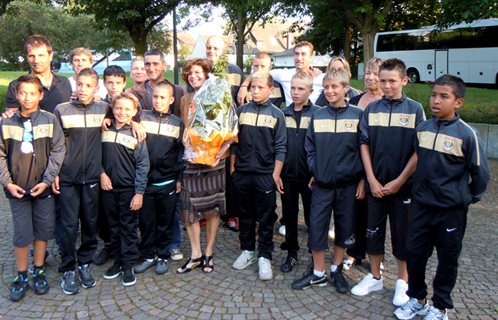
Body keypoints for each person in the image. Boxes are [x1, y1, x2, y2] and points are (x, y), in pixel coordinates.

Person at [394, 75, 490, 320]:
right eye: (434, 95)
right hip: (421, 207)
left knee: (447, 260)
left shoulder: (467, 134)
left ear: (458, 103)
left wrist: (464, 198)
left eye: (443, 96)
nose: (436, 101)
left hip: (450, 212)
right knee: (414, 254)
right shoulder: (423, 129)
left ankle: (440, 307)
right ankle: (418, 300)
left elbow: (481, 175)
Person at [351, 58, 426, 307]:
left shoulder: (415, 110)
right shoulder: (372, 110)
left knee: (402, 235)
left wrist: (400, 180)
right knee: (373, 231)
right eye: (383, 80)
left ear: (404, 80)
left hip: (403, 187)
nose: (386, 85)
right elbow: (364, 144)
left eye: (392, 81)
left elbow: (419, 149)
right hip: (376, 186)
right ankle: (375, 277)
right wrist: (371, 179)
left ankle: (402, 282)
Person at [291, 68, 364, 292]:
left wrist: (360, 179)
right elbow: (309, 147)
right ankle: (318, 273)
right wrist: (317, 169)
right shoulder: (318, 115)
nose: (330, 91)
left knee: (343, 228)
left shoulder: (357, 115)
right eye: (326, 87)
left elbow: (364, 150)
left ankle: (336, 269)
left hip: (348, 185)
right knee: (317, 228)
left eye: (335, 87)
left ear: (345, 88)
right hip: (321, 184)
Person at [0, 75, 65, 301]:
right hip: (16, 189)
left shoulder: (49, 120)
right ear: (16, 95)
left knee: (42, 230)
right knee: (21, 232)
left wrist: (47, 180)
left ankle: (38, 270)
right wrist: (7, 182)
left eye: (32, 93)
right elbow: (0, 154)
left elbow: (58, 149)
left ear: (41, 95)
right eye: (22, 93)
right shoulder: (6, 122)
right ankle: (21, 275)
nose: (27, 97)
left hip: (42, 188)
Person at [52, 68, 109, 295]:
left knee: (89, 222)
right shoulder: (61, 110)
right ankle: (67, 268)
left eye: (89, 86)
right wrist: (55, 172)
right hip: (67, 178)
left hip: (92, 178)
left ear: (97, 89)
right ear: (75, 83)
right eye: (80, 84)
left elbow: (127, 116)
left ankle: (85, 263)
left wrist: (134, 124)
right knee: (67, 226)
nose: (83, 89)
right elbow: (54, 145)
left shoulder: (104, 109)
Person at [231, 71, 287, 281]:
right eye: (253, 87)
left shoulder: (277, 115)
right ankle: (248, 251)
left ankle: (265, 255)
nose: (255, 91)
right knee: (244, 215)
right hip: (242, 175)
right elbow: (234, 142)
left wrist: (274, 176)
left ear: (271, 90)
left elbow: (281, 147)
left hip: (265, 176)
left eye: (260, 87)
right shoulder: (241, 111)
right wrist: (233, 171)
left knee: (265, 217)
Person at [176, 58, 228, 274]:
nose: (192, 76)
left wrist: (221, 152)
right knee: (189, 209)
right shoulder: (185, 99)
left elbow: (229, 129)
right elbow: (185, 128)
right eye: (189, 73)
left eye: (197, 72)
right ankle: (195, 254)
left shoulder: (220, 95)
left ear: (207, 74)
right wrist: (186, 142)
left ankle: (208, 252)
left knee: (212, 209)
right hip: (190, 161)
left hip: (214, 161)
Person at [134, 81, 184, 275]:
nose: (158, 101)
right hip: (145, 182)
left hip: (167, 181)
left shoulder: (177, 123)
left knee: (165, 220)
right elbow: (119, 113)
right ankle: (148, 255)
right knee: (146, 221)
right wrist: (131, 122)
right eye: (155, 97)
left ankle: (163, 255)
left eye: (163, 97)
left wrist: (178, 178)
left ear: (171, 100)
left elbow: (180, 154)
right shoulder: (142, 117)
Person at [101, 92, 149, 286]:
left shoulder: (137, 133)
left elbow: (142, 165)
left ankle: (128, 263)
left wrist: (139, 192)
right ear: (112, 109)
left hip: (129, 189)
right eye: (118, 108)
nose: (122, 112)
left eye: (127, 109)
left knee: (128, 227)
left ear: (134, 112)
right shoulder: (103, 130)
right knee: (113, 226)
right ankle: (118, 261)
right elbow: (94, 155)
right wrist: (101, 173)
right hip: (107, 188)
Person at [343, 57, 385, 271]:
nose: (370, 77)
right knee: (356, 213)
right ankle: (354, 253)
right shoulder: (355, 101)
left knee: (377, 215)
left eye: (376, 73)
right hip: (357, 167)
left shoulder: (390, 103)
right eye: (368, 73)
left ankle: (377, 254)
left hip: (382, 168)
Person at [200, 35, 245, 232]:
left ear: (225, 50)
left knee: (229, 173)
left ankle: (231, 214)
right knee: (206, 172)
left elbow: (241, 97)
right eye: (209, 47)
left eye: (216, 48)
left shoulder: (235, 72)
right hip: (206, 131)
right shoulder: (200, 68)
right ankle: (206, 212)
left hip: (229, 132)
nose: (212, 51)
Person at [278, 70, 318, 272]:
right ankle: (291, 252)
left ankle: (315, 257)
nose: (295, 92)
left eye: (300, 89)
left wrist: (316, 172)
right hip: (287, 176)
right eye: (293, 88)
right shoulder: (282, 113)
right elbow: (278, 145)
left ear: (310, 91)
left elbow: (321, 147)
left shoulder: (318, 114)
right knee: (290, 215)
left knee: (313, 217)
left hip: (310, 177)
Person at [93, 65, 129, 266]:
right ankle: (108, 246)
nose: (114, 86)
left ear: (124, 83)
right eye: (109, 82)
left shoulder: (130, 104)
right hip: (103, 166)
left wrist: (137, 123)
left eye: (117, 82)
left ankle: (127, 246)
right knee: (104, 212)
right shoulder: (99, 105)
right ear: (104, 83)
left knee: (125, 213)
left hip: (124, 169)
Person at [237, 41, 323, 107]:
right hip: (291, 122)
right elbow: (259, 74)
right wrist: (243, 87)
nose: (299, 58)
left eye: (303, 54)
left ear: (311, 57)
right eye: (296, 54)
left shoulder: (320, 78)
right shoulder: (284, 74)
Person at [5, 35, 71, 114]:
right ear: (27, 57)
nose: (36, 60)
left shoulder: (65, 82)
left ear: (50, 56)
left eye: (41, 55)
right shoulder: (16, 85)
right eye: (32, 56)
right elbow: (12, 118)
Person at [129, 49, 186, 117]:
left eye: (155, 64)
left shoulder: (178, 91)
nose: (151, 69)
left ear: (164, 65)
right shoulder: (134, 93)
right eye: (147, 64)